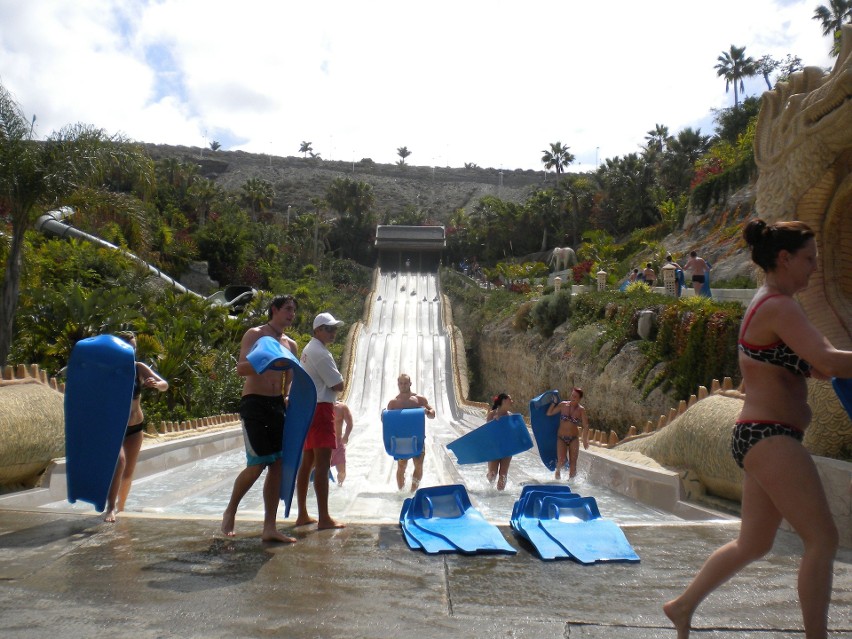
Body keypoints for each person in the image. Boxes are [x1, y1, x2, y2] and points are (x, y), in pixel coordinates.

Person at [664, 219, 852, 639]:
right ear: (784, 258)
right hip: (771, 436)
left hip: (759, 435)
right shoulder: (778, 306)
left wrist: (818, 366)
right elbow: (831, 359)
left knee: (754, 543)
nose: (814, 267)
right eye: (808, 259)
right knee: (822, 539)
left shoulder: (772, 303)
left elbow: (816, 364)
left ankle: (682, 605)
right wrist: (828, 363)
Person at [221, 295, 299, 543]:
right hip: (254, 402)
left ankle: (270, 527)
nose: (291, 314)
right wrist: (266, 360)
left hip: (277, 405)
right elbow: (241, 368)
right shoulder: (255, 334)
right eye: (287, 309)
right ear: (274, 310)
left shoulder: (291, 344)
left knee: (276, 465)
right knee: (257, 464)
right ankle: (230, 510)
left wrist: (287, 395)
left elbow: (291, 377)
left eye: (294, 311)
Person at [104, 331, 168, 522]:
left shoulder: (138, 368)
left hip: (136, 426)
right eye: (129, 348)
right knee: (120, 463)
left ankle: (121, 508)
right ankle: (110, 508)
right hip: (116, 425)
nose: (132, 351)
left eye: (134, 348)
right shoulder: (109, 370)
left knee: (129, 470)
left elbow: (164, 385)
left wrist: (155, 384)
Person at [295, 312, 347, 529]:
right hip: (321, 409)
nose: (333, 332)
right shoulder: (321, 353)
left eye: (334, 328)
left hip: (308, 409)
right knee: (323, 464)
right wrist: (338, 382)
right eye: (328, 328)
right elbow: (338, 385)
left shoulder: (308, 349)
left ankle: (303, 514)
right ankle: (324, 518)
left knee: (307, 463)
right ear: (317, 330)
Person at [387, 373, 436, 491]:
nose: (403, 385)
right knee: (401, 466)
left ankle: (413, 491)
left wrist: (428, 412)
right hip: (401, 438)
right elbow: (388, 422)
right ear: (398, 384)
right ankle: (401, 491)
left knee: (418, 465)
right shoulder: (393, 403)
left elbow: (432, 413)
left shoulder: (419, 399)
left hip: (417, 437)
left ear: (410, 384)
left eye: (405, 383)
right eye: (401, 383)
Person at [545, 387, 590, 480]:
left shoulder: (581, 410)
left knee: (573, 463)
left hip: (574, 438)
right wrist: (554, 403)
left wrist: (585, 440)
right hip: (561, 438)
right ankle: (557, 480)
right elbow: (549, 413)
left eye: (575, 396)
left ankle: (571, 485)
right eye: (572, 395)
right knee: (560, 461)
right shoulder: (563, 405)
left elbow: (586, 426)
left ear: (579, 399)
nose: (572, 397)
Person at [484, 393, 514, 491]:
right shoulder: (492, 414)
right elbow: (486, 432)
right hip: (494, 448)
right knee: (493, 473)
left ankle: (500, 495)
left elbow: (514, 433)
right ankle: (489, 480)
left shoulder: (511, 416)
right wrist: (495, 423)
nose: (512, 401)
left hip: (507, 449)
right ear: (504, 401)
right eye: (510, 399)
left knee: (503, 474)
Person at [331, 400, 354, 486]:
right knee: (318, 468)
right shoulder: (318, 405)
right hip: (324, 443)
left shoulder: (342, 407)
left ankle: (339, 487)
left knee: (342, 472)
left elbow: (350, 422)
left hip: (337, 443)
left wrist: (346, 435)